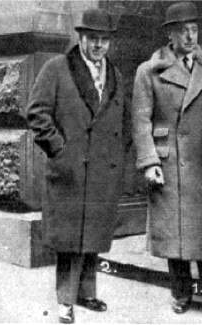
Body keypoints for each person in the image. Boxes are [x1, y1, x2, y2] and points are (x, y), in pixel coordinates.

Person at [26, 9, 128, 324]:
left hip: (102, 170)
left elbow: (120, 120)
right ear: (80, 38)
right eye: (93, 39)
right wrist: (60, 150)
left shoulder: (115, 74)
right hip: (70, 169)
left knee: (93, 235)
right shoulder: (56, 69)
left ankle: (86, 293)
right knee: (70, 240)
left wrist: (118, 154)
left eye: (104, 40)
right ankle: (65, 301)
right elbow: (37, 113)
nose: (98, 46)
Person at [131, 1, 202, 314]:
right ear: (170, 34)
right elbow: (141, 120)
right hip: (169, 161)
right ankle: (181, 293)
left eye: (194, 29)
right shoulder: (148, 71)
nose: (189, 36)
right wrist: (149, 162)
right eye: (182, 30)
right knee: (175, 231)